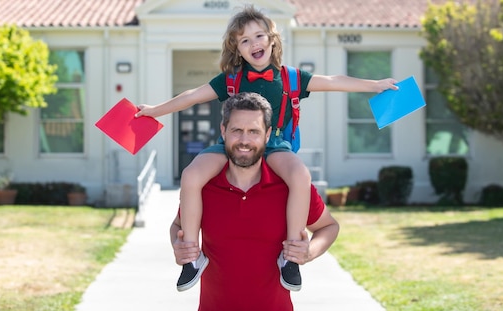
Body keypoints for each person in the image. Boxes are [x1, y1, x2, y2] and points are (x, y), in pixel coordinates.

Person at [136, 5, 397, 292]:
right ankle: (191, 257)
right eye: (244, 40)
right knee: (191, 174)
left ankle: (291, 258)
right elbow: (193, 96)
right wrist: (155, 110)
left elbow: (335, 81)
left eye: (259, 36)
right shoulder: (231, 79)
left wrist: (374, 84)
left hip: (275, 144)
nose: (254, 44)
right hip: (232, 144)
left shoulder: (292, 78)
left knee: (299, 174)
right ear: (237, 49)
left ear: (272, 39)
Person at [170, 92, 340, 310]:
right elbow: (178, 226)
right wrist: (179, 245)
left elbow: (329, 227)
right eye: (236, 131)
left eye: (253, 132)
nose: (244, 140)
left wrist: (309, 252)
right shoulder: (204, 186)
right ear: (223, 131)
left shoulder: (290, 188)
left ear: (268, 135)